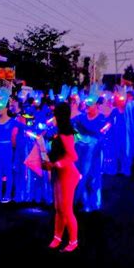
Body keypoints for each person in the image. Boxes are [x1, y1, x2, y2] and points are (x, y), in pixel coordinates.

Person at [43, 102, 80, 252]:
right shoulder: (59, 131)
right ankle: (57, 237)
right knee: (58, 208)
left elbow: (73, 156)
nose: (53, 117)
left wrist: (55, 165)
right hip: (59, 173)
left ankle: (73, 241)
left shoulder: (66, 134)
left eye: (55, 114)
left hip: (67, 174)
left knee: (66, 210)